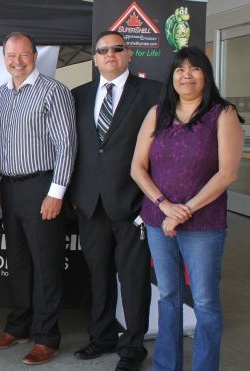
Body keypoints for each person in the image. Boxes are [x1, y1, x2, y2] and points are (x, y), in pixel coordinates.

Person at [131, 46, 243, 371]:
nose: (187, 75)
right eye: (180, 70)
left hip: (204, 224)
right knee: (168, 296)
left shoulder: (223, 115)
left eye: (195, 69)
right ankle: (167, 365)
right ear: (172, 77)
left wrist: (185, 210)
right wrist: (165, 206)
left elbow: (228, 173)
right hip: (157, 220)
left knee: (206, 301)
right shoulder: (157, 113)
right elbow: (137, 167)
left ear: (206, 75)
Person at [69, 31, 162, 371]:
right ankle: (102, 336)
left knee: (134, 279)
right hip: (90, 205)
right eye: (102, 50)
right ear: (94, 58)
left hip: (132, 205)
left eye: (117, 49)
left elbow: (162, 151)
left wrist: (151, 201)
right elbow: (74, 149)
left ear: (129, 54)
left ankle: (133, 348)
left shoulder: (153, 92)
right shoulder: (78, 95)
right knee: (98, 276)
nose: (109, 54)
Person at [0, 32, 76, 365]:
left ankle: (47, 337)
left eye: (23, 55)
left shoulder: (54, 92)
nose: (17, 61)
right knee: (19, 264)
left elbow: (67, 145)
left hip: (43, 188)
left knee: (47, 265)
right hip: (9, 189)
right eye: (11, 55)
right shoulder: (1, 95)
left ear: (35, 56)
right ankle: (18, 326)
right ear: (4, 58)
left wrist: (56, 193)